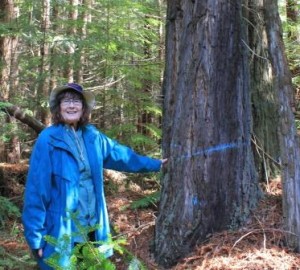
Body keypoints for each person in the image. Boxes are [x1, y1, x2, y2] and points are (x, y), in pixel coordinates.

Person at [22, 83, 167, 269]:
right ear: (59, 107)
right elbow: (36, 191)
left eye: (76, 101)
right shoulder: (48, 140)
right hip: (63, 231)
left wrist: (155, 164)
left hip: (93, 227)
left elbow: (121, 155)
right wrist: (36, 238)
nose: (72, 106)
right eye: (66, 101)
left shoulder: (92, 136)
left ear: (83, 109)